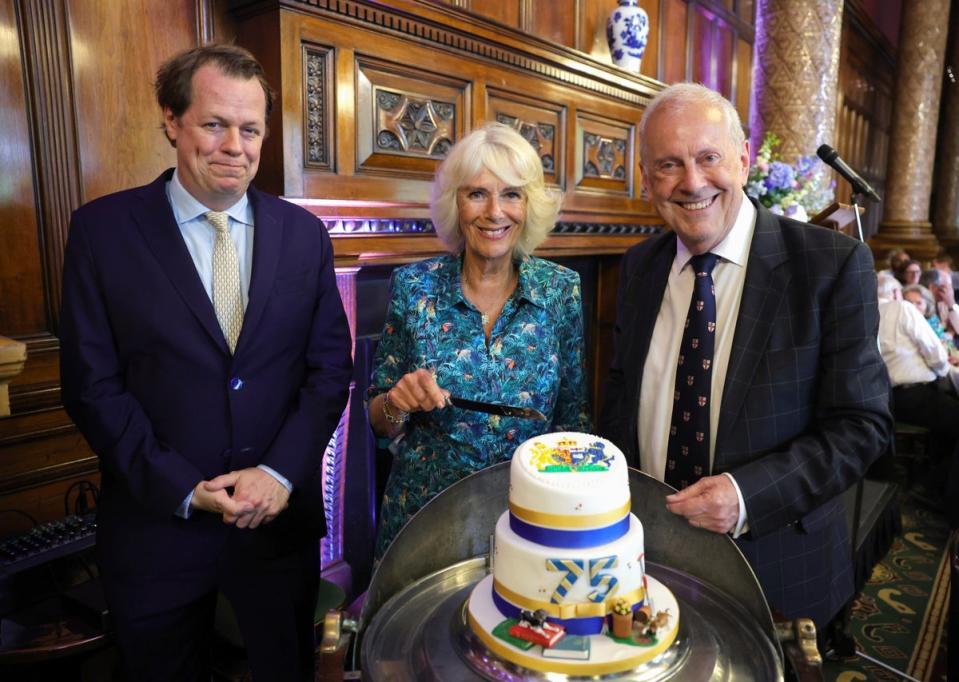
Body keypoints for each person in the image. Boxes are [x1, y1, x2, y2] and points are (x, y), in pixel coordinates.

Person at [59, 44, 353, 681]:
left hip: (277, 534)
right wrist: (182, 489)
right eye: (214, 124)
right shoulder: (101, 232)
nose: (235, 146)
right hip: (157, 533)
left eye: (250, 129)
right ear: (171, 120)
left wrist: (278, 473)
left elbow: (330, 370)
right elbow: (92, 387)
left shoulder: (305, 236)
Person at [599, 83, 891, 630]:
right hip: (647, 565)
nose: (692, 182)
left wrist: (746, 496)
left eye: (708, 157)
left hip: (775, 571)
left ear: (743, 157)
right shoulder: (639, 267)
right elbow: (621, 397)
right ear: (646, 179)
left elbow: (862, 426)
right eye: (668, 165)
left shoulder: (831, 266)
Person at [368, 123, 590, 558]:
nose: (494, 212)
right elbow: (378, 419)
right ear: (456, 203)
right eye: (477, 194)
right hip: (425, 519)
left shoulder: (562, 291)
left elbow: (573, 422)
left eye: (511, 194)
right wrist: (398, 401)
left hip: (529, 520)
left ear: (529, 206)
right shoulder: (414, 287)